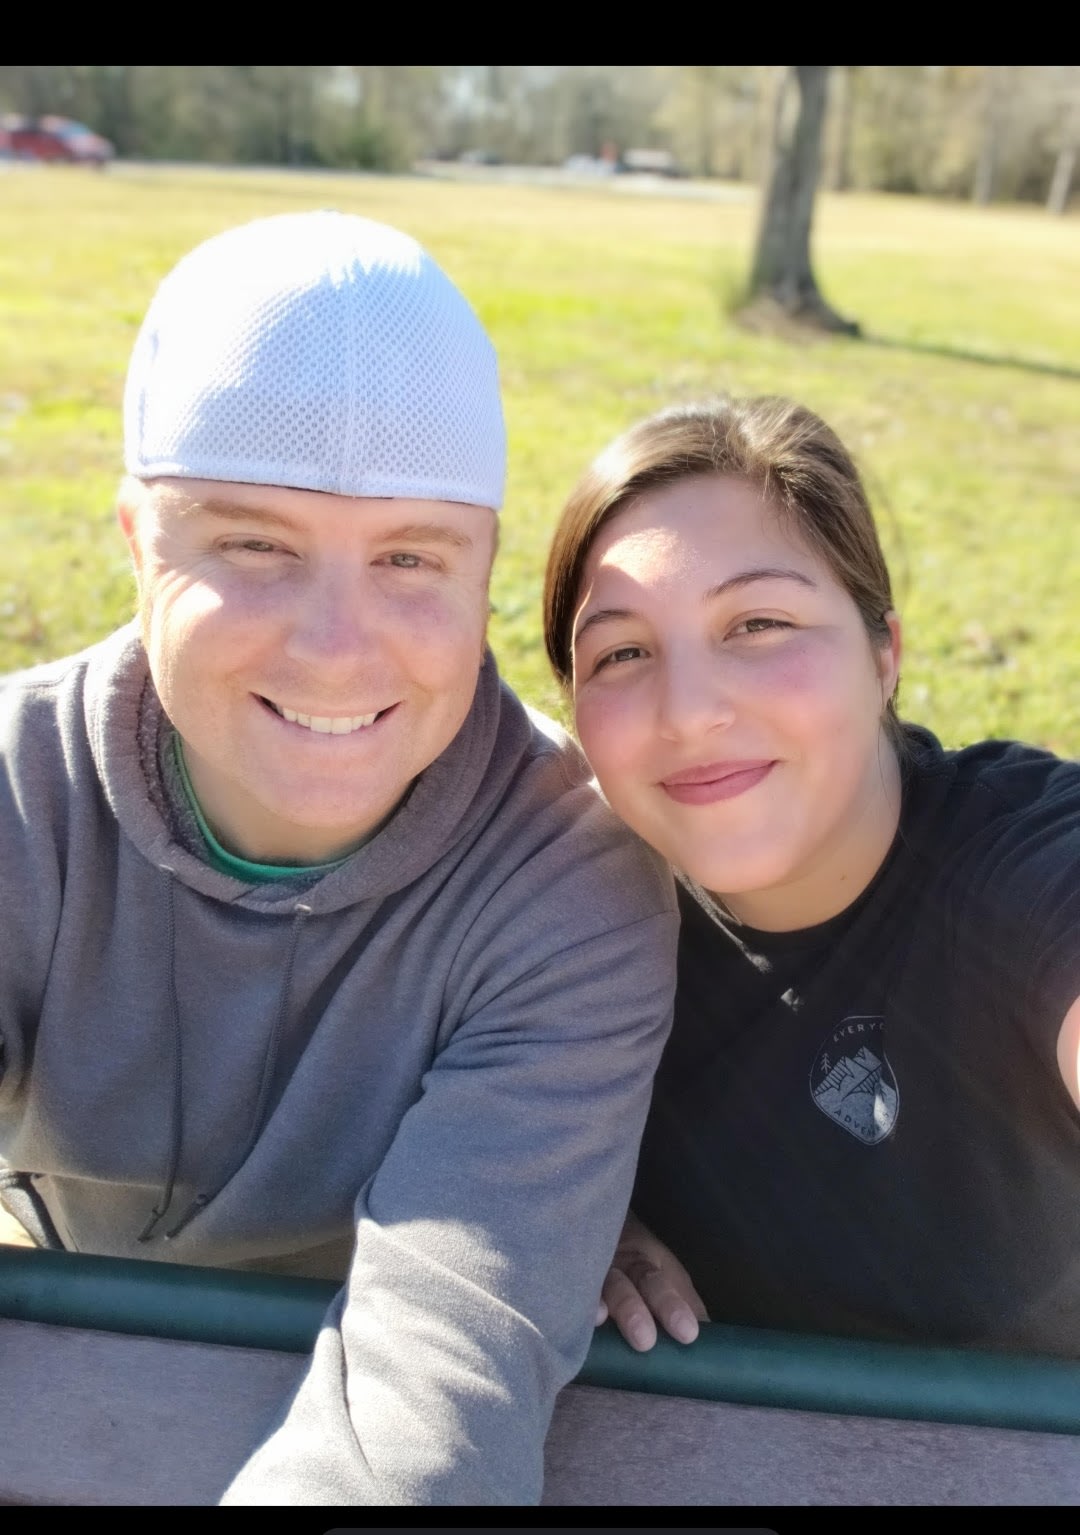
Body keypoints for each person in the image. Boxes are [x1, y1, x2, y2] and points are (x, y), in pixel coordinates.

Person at [0, 211, 679, 1505]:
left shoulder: (569, 881)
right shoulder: (17, 791)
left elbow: (427, 1406)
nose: (334, 646)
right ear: (139, 541)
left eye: (411, 558)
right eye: (255, 545)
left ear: (483, 570)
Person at [543, 395, 1080, 1360]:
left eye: (758, 622)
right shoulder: (564, 922)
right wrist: (562, 1206)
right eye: (622, 652)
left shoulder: (1024, 864)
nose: (688, 710)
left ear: (885, 654)